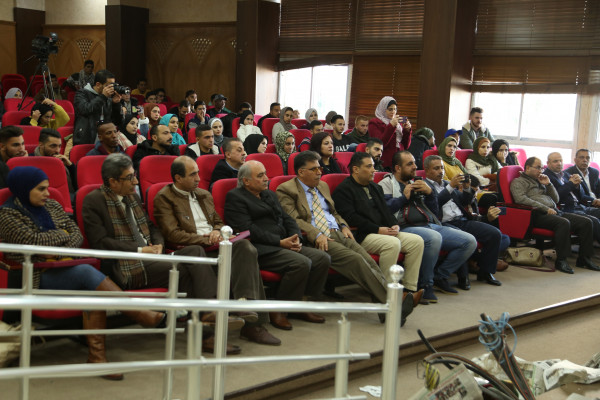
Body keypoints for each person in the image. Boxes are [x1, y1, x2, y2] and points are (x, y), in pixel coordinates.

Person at [0, 166, 165, 380]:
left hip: (65, 268)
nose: (47, 193)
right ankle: (136, 313)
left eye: (47, 188)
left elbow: (76, 236)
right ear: (24, 188)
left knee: (92, 289)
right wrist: (62, 235)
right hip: (33, 276)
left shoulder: (52, 205)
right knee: (86, 273)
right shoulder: (7, 214)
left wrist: (55, 242)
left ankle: (97, 357)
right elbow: (34, 241)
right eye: (41, 189)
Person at [82, 154, 243, 354]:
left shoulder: (132, 197)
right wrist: (140, 250)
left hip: (154, 257)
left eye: (134, 175)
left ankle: (207, 320)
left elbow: (152, 227)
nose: (136, 182)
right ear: (113, 181)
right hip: (127, 265)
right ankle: (209, 321)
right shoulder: (94, 201)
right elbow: (100, 243)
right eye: (129, 178)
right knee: (189, 269)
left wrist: (158, 244)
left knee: (195, 252)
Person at [152, 156, 281, 345]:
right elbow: (173, 235)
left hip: (216, 244)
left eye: (198, 173)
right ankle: (237, 325)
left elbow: (219, 223)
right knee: (219, 254)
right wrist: (207, 239)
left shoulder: (203, 194)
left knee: (246, 247)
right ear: (178, 178)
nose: (198, 178)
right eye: (192, 174)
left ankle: (246, 308)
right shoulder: (164, 198)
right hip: (193, 249)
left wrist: (217, 231)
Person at [276, 151, 416, 323]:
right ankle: (394, 305)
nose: (319, 172)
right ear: (301, 172)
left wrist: (343, 225)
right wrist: (317, 234)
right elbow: (294, 220)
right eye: (314, 169)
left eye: (320, 168)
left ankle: (388, 311)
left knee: (369, 261)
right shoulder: (286, 189)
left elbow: (334, 212)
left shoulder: (322, 186)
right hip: (317, 238)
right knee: (356, 260)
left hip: (338, 231)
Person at [225, 160, 329, 330]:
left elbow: (287, 218)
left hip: (284, 242)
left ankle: (301, 304)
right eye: (260, 176)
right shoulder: (235, 197)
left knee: (322, 258)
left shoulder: (269, 194)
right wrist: (279, 242)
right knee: (301, 263)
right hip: (262, 248)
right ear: (246, 181)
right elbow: (247, 229)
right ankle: (279, 309)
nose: (267, 178)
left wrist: (296, 238)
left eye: (265, 174)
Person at [329, 153, 425, 312]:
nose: (374, 170)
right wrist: (378, 229)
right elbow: (351, 218)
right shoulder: (344, 190)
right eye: (369, 166)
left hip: (383, 231)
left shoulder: (375, 187)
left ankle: (408, 290)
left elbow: (386, 211)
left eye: (373, 166)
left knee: (416, 242)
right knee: (392, 244)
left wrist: (394, 225)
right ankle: (386, 295)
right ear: (356, 169)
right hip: (362, 235)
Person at [378, 151, 477, 302]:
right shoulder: (386, 183)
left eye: (414, 163)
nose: (415, 167)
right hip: (403, 226)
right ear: (398, 168)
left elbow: (434, 212)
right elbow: (384, 210)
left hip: (429, 224)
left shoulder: (418, 182)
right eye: (409, 164)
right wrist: (404, 197)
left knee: (469, 241)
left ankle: (440, 276)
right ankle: (425, 284)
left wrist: (430, 194)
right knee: (434, 238)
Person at [424, 155, 504, 286]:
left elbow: (464, 201)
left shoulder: (446, 183)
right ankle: (461, 276)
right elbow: (434, 205)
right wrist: (450, 187)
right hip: (443, 224)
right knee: (465, 238)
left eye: (442, 168)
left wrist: (467, 188)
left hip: (462, 220)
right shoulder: (425, 186)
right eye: (436, 168)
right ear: (427, 170)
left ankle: (485, 272)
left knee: (495, 234)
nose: (441, 171)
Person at [510, 157, 599, 274]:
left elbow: (556, 199)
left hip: (554, 211)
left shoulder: (540, 180)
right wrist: (546, 208)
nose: (541, 171)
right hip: (536, 215)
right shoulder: (518, 182)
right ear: (527, 168)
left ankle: (584, 258)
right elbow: (521, 199)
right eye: (538, 168)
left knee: (587, 222)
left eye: (542, 168)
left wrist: (549, 184)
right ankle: (561, 260)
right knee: (563, 223)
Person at [544, 152, 600, 244]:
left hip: (581, 206)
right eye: (555, 161)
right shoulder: (546, 177)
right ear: (548, 163)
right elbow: (556, 196)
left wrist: (578, 186)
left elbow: (581, 196)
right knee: (594, 221)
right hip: (567, 209)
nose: (559, 163)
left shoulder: (566, 174)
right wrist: (571, 184)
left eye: (561, 161)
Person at [73, 69, 123, 145]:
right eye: (108, 86)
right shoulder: (82, 93)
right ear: (98, 84)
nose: (111, 89)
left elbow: (118, 121)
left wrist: (116, 104)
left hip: (105, 139)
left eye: (113, 85)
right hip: (86, 138)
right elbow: (84, 110)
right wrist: (103, 97)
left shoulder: (108, 97)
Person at [368, 96, 412, 169]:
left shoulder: (398, 124)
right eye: (390, 109)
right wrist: (391, 126)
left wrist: (407, 131)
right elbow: (380, 143)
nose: (393, 112)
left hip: (400, 160)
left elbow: (406, 145)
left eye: (395, 109)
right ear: (383, 110)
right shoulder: (374, 123)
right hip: (385, 161)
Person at [34, 128, 75, 195]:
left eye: (59, 146)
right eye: (53, 146)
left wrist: (70, 166)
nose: (57, 150)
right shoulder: (30, 161)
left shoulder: (62, 162)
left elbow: (76, 187)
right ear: (41, 145)